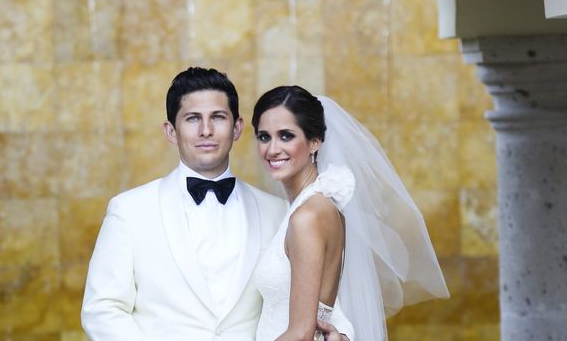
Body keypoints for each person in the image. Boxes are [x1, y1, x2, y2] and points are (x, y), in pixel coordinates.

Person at [81, 68, 353, 341]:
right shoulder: (129, 211)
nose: (206, 131)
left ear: (237, 128)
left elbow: (324, 305)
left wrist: (342, 337)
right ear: (171, 131)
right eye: (192, 119)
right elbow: (101, 309)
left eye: (218, 117)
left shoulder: (280, 211)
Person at [251, 86, 450, 341]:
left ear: (315, 142)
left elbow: (301, 333)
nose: (272, 149)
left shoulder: (307, 217)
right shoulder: (320, 204)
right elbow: (326, 309)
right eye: (264, 137)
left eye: (286, 136)